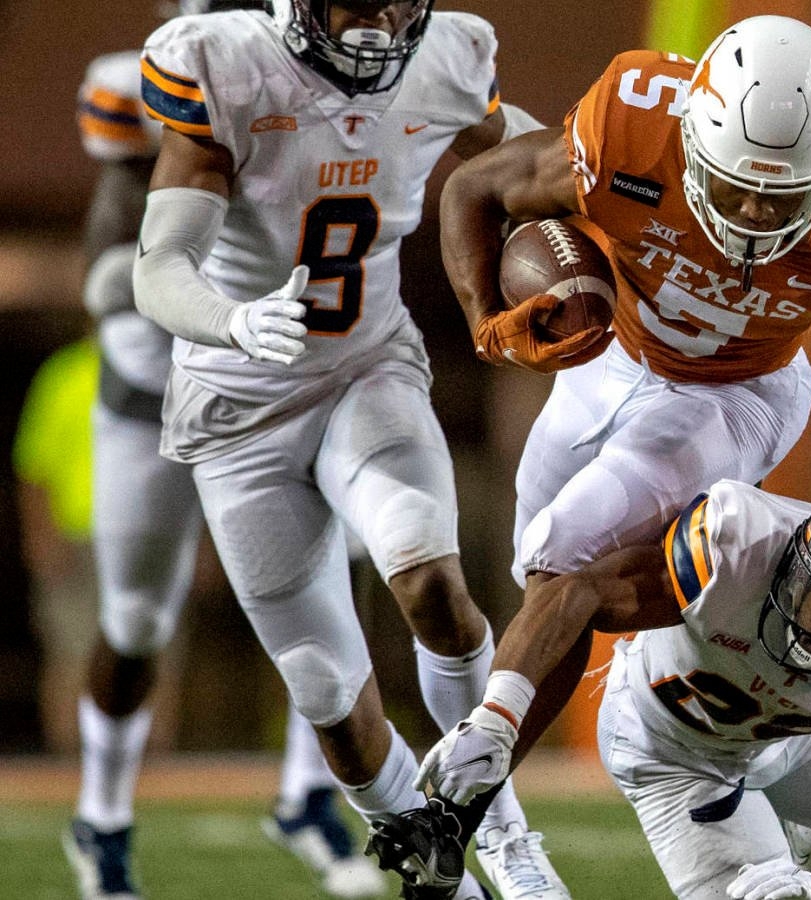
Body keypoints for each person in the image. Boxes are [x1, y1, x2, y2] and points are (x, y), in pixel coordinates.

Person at [433, 11, 811, 786]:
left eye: (780, 199)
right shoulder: (631, 131)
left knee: (563, 551)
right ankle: (771, 741)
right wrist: (490, 329)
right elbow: (475, 185)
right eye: (736, 187)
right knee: (534, 571)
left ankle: (472, 803)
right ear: (694, 140)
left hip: (739, 388)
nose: (751, 215)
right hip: (611, 356)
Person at [127, 2, 565, 897]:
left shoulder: (446, 56)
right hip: (236, 402)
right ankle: (435, 859)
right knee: (329, 699)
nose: (376, 19)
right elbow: (158, 263)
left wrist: (604, 181)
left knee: (430, 580)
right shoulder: (229, 67)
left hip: (365, 368)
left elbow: (527, 149)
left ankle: (508, 838)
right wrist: (234, 320)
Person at [62, 5, 386, 898]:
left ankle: (309, 797)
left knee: (345, 565)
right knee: (136, 621)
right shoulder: (137, 84)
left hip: (268, 392)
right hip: (151, 395)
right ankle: (101, 817)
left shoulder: (333, 77)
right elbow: (114, 256)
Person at [373, 479, 811, 900]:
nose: (810, 613)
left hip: (796, 741)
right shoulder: (738, 541)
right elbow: (577, 592)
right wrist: (498, 718)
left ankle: (810, 845)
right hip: (676, 751)